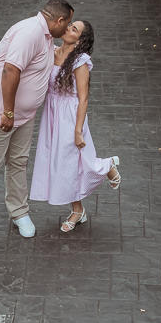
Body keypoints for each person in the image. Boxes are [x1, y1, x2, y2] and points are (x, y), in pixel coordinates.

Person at [0, 0, 74, 243]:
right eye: (68, 23)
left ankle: (19, 212)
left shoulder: (46, 36)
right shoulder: (30, 33)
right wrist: (8, 112)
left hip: (23, 116)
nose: (68, 28)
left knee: (18, 162)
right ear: (58, 20)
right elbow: (10, 70)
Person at [30, 19, 121, 232]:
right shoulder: (52, 52)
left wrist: (78, 130)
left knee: (71, 162)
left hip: (70, 115)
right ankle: (79, 208)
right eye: (70, 25)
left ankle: (106, 168)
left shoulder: (80, 61)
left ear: (79, 40)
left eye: (74, 29)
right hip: (52, 114)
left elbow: (83, 98)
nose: (68, 29)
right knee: (62, 164)